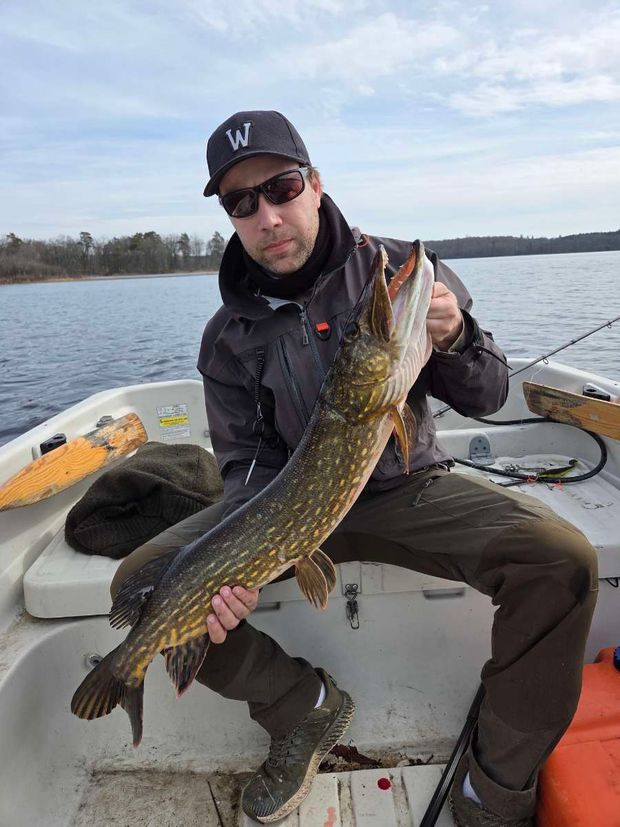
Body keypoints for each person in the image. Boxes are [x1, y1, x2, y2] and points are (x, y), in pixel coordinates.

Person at [111, 111, 598, 826]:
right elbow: (245, 465)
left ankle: (493, 786)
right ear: (230, 217)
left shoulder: (398, 272)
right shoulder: (227, 338)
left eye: (281, 187)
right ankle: (301, 708)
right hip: (287, 511)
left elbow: (491, 393)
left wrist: (456, 336)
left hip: (410, 488)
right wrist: (237, 561)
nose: (268, 216)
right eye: (242, 202)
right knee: (147, 583)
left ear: (314, 182)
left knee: (561, 561)